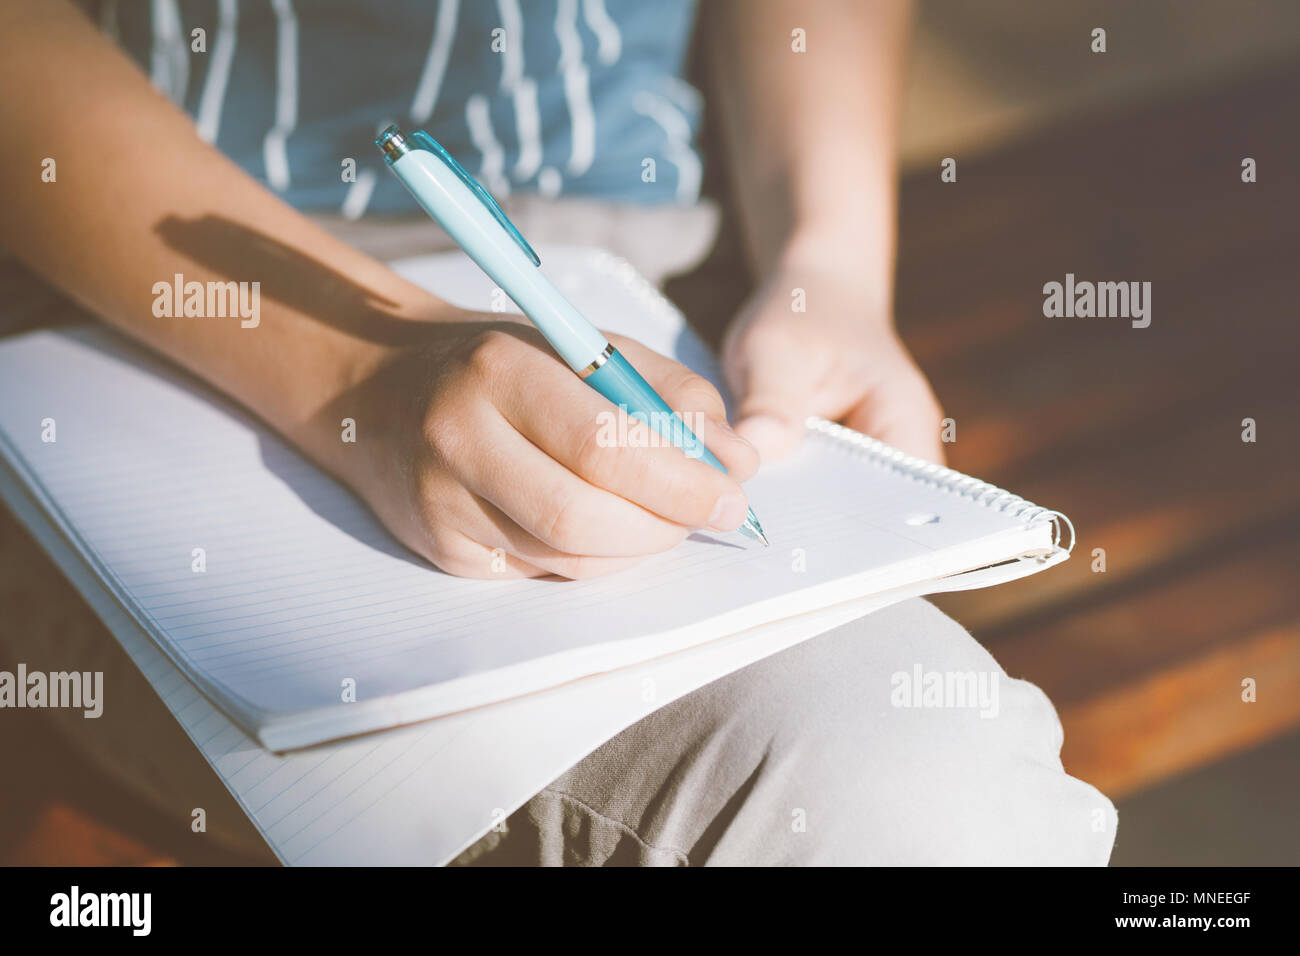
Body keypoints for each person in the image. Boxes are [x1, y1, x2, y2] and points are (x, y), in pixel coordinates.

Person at [0, 0, 1116, 864]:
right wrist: (363, 364)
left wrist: (826, 259)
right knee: (908, 792)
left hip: (664, 271)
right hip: (124, 311)